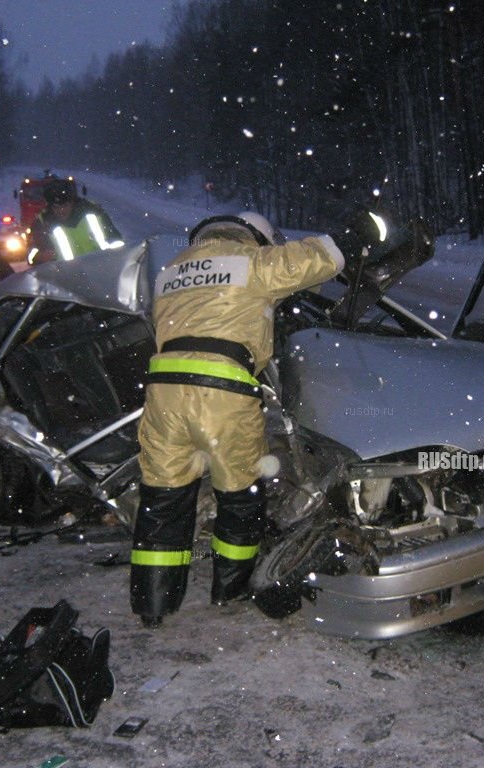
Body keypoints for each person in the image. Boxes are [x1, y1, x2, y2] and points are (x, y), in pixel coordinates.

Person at [130, 211, 348, 628]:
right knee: (239, 497)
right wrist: (356, 237)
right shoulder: (252, 263)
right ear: (255, 238)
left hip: (163, 397)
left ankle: (152, 605)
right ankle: (228, 590)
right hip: (224, 395)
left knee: (163, 501)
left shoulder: (170, 272)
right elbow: (320, 258)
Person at [27, 178, 124, 264]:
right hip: (68, 280)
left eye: (64, 205)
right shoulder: (42, 224)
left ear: (72, 202)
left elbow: (116, 240)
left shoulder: (94, 213)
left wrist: (114, 255)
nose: (61, 210)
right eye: (56, 207)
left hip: (102, 271)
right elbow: (31, 255)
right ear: (50, 206)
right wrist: (39, 256)